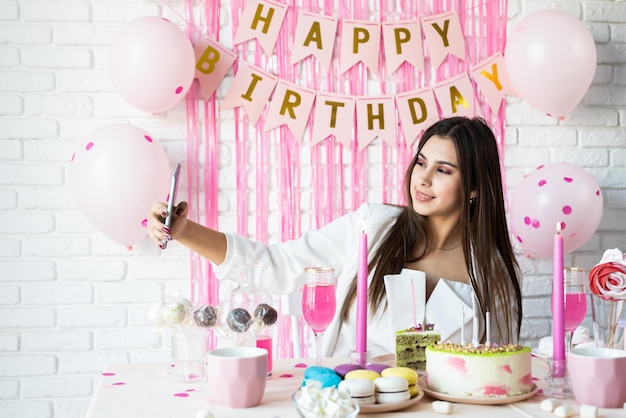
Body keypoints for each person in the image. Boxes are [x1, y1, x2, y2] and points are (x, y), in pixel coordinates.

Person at [147, 116, 523, 357]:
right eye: (421, 163)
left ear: (474, 187)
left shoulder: (492, 273)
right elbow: (275, 264)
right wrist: (183, 231)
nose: (422, 179)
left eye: (443, 170)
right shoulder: (372, 227)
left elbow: (499, 369)